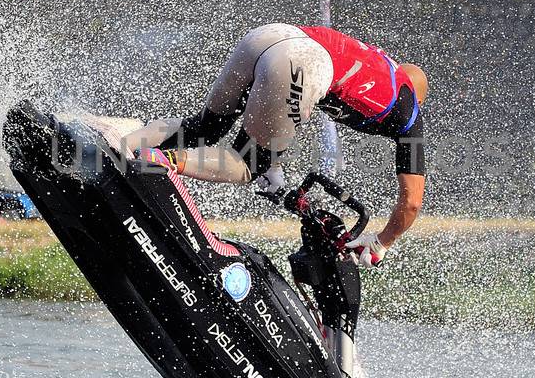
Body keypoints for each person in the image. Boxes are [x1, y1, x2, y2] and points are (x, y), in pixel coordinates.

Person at [130, 24, 428, 266]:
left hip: (270, 35)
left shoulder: (378, 63)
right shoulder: (408, 113)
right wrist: (381, 242)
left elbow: (283, 113)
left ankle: (123, 145)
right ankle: (161, 160)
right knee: (247, 163)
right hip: (303, 61)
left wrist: (274, 167)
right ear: (417, 97)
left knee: (203, 129)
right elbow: (412, 202)